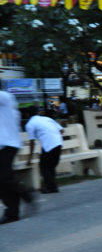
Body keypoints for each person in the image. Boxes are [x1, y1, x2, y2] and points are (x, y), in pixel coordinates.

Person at [0, 91, 34, 224]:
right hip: (4, 144)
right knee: (2, 181)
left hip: (8, 143)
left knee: (4, 178)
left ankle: (25, 194)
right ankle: (12, 212)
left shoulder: (5, 97)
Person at [25, 106, 64, 194]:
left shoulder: (30, 124)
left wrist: (29, 159)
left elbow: (32, 143)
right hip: (58, 143)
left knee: (44, 166)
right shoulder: (47, 119)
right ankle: (52, 186)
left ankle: (50, 187)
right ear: (37, 112)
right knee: (50, 165)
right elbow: (62, 130)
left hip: (49, 145)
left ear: (27, 115)